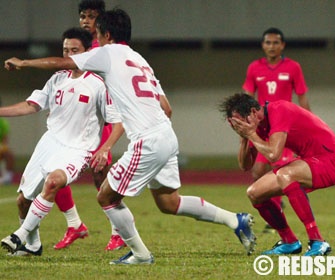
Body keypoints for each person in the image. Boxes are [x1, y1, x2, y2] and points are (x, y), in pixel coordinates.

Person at [2, 9, 256, 264]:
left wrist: (24, 63)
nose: (95, 40)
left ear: (107, 34)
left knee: (106, 196)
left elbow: (63, 63)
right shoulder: (140, 60)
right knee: (169, 202)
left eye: (97, 34)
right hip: (166, 135)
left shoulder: (107, 53)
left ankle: (141, 254)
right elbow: (167, 107)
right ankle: (235, 220)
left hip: (148, 141)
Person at [0, 27, 124, 257]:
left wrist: (105, 148)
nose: (68, 55)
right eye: (65, 50)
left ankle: (19, 234)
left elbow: (118, 122)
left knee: (53, 182)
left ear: (87, 52)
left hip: (79, 149)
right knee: (22, 201)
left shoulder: (98, 83)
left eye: (74, 50)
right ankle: (33, 246)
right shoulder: (57, 79)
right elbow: (31, 105)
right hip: (49, 143)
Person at [219, 93, 335, 256]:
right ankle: (289, 242)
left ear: (253, 111)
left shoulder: (279, 110)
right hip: (310, 161)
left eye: (240, 121)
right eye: (235, 124)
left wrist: (251, 134)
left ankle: (318, 241)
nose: (240, 126)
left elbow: (273, 155)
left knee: (285, 174)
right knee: (254, 193)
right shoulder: (255, 126)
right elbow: (245, 165)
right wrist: (244, 138)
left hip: (332, 160)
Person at [52, 0, 128, 252]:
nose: (86, 20)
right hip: (75, 120)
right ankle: (74, 224)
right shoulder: (78, 46)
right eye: (83, 16)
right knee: (54, 171)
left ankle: (119, 231)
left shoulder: (106, 47)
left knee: (101, 179)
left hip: (101, 120)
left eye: (92, 16)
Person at [242, 27, 310, 233]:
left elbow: (302, 97)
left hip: (285, 127)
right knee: (257, 171)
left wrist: (306, 124)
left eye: (276, 43)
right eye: (268, 43)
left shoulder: (293, 67)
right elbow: (246, 96)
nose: (272, 46)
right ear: (263, 45)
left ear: (283, 45)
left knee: (281, 168)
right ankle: (274, 205)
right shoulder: (254, 68)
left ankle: (277, 214)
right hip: (264, 127)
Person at [0, 99, 15, 185]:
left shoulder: (3, 123)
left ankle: (7, 177)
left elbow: (5, 140)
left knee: (9, 155)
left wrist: (2, 147)